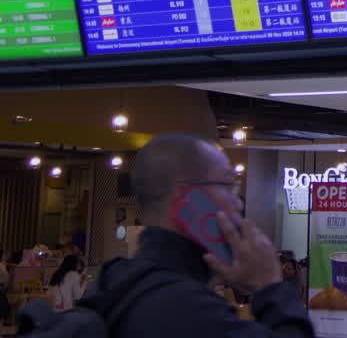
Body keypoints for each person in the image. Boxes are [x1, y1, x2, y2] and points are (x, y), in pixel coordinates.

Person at [87, 133, 314, 337]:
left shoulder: (112, 281)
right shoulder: (185, 309)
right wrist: (270, 287)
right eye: (227, 185)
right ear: (186, 201)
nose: (237, 201)